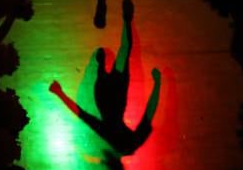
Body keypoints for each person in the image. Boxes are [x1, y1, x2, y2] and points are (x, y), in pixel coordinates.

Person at [48, 20, 161, 159]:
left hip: (115, 93)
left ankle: (125, 18)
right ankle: (101, 65)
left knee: (125, 50)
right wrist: (59, 93)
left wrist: (157, 83)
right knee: (123, 52)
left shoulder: (130, 141)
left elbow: (150, 110)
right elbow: (81, 114)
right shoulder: (110, 134)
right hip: (107, 94)